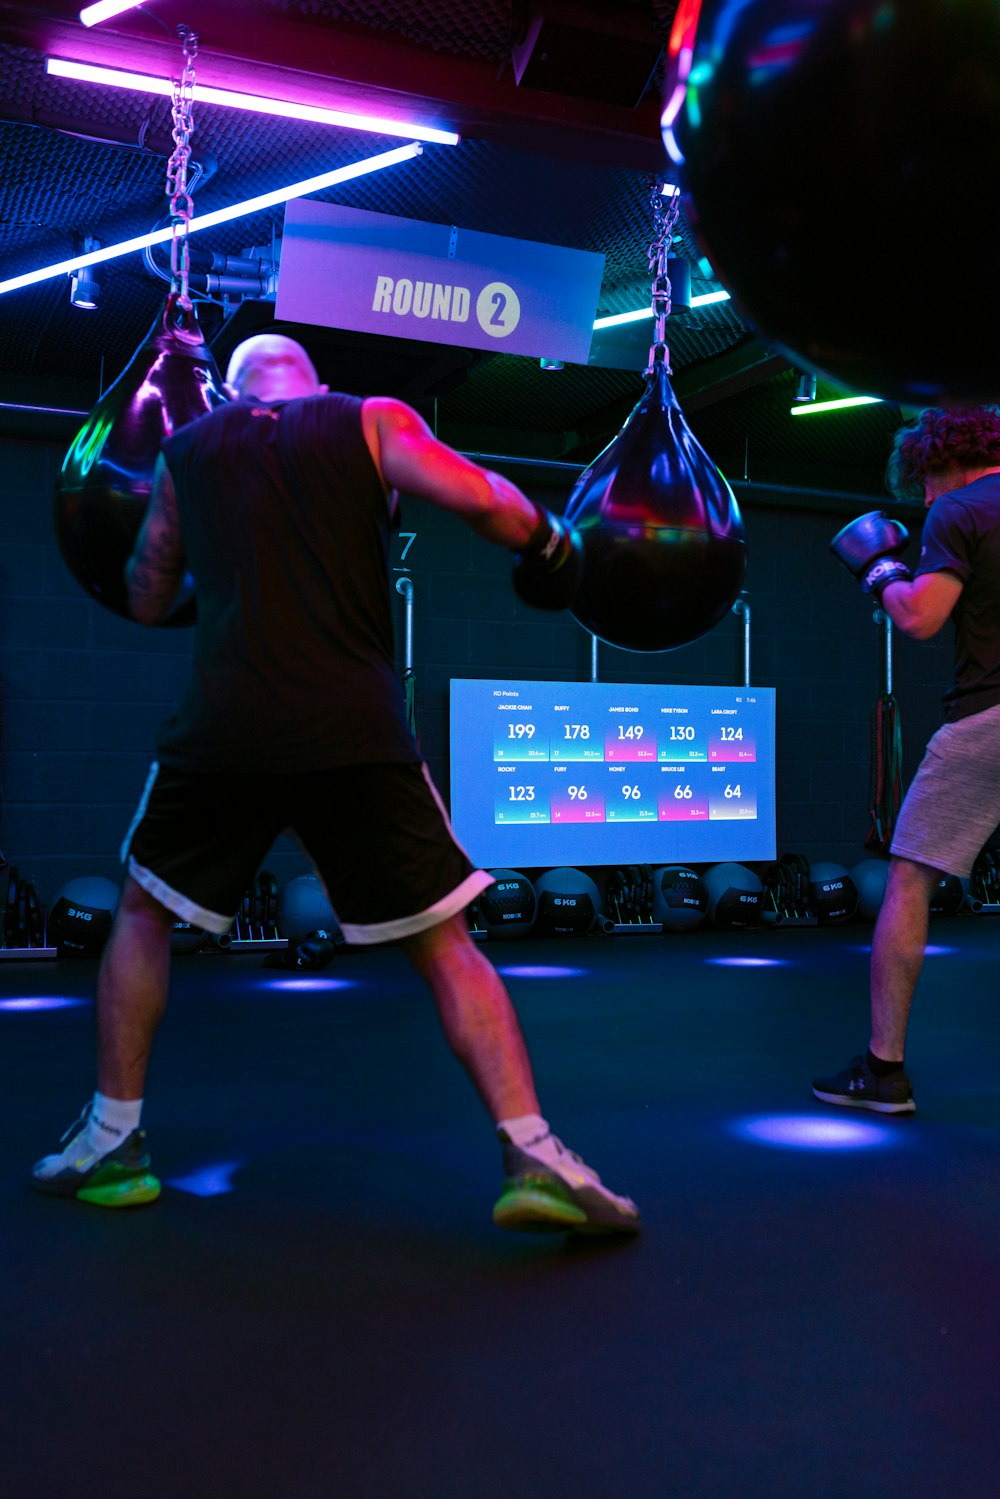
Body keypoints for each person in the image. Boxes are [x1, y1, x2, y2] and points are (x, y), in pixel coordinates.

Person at [32, 333, 640, 1236]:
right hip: (352, 726)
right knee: (446, 943)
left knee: (142, 913)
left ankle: (113, 1141)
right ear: (314, 382)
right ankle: (531, 1152)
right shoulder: (368, 420)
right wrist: (552, 546)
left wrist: (230, 561)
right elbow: (487, 500)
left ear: (232, 395)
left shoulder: (186, 450)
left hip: (224, 727)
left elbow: (150, 591)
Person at [813, 405, 1000, 1113]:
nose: (921, 499)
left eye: (922, 481)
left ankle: (883, 1070)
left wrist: (883, 571)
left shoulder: (959, 510)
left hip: (990, 716)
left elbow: (921, 617)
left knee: (910, 878)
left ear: (941, 459)